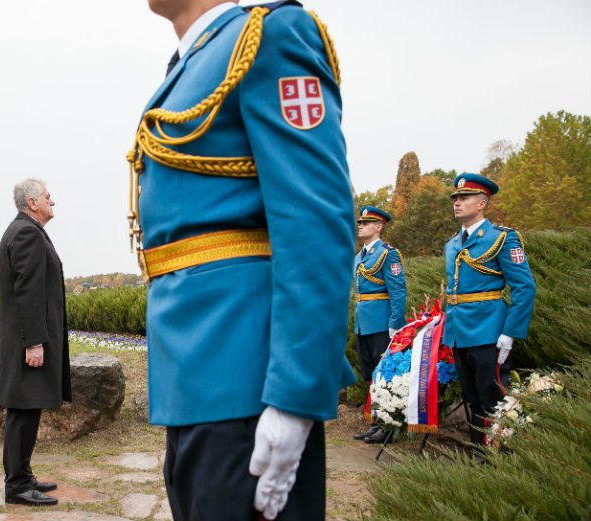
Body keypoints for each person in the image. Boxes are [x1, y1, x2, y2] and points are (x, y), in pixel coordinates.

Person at [126, 2, 356, 519]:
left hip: (247, 376)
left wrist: (296, 395)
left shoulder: (268, 34)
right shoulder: (191, 61)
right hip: (192, 373)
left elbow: (314, 217)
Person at [443, 172, 536, 452]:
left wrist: (510, 331)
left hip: (488, 330)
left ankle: (495, 454)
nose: (457, 202)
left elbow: (524, 287)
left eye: (464, 198)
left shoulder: (502, 238)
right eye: (455, 198)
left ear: (482, 203)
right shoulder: (452, 243)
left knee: (492, 395)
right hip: (459, 331)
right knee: (471, 395)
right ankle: (478, 451)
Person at [0, 179, 72, 506]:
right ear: (32, 202)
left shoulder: (27, 229)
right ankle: (16, 486)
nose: (52, 200)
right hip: (28, 342)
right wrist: (34, 343)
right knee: (22, 411)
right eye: (47, 196)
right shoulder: (26, 233)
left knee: (29, 409)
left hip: (29, 337)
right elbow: (28, 292)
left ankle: (23, 475)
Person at [351, 206, 407, 444]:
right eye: (360, 223)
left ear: (379, 226)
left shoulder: (388, 254)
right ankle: (375, 422)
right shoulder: (358, 256)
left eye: (366, 222)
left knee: (384, 375)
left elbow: (398, 291)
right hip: (364, 323)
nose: (360, 226)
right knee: (370, 375)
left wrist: (395, 324)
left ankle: (386, 426)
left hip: (382, 323)